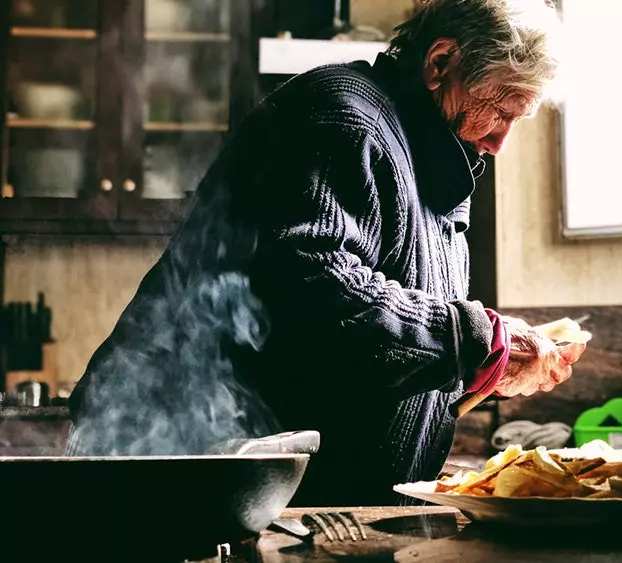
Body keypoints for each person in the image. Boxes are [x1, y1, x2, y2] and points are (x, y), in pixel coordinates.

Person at [65, 0, 586, 506]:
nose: (499, 144)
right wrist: (472, 337)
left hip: (291, 500)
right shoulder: (342, 117)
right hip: (198, 474)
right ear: (440, 62)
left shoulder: (429, 161)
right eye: (499, 111)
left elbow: (379, 352)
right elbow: (313, 292)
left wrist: (481, 362)